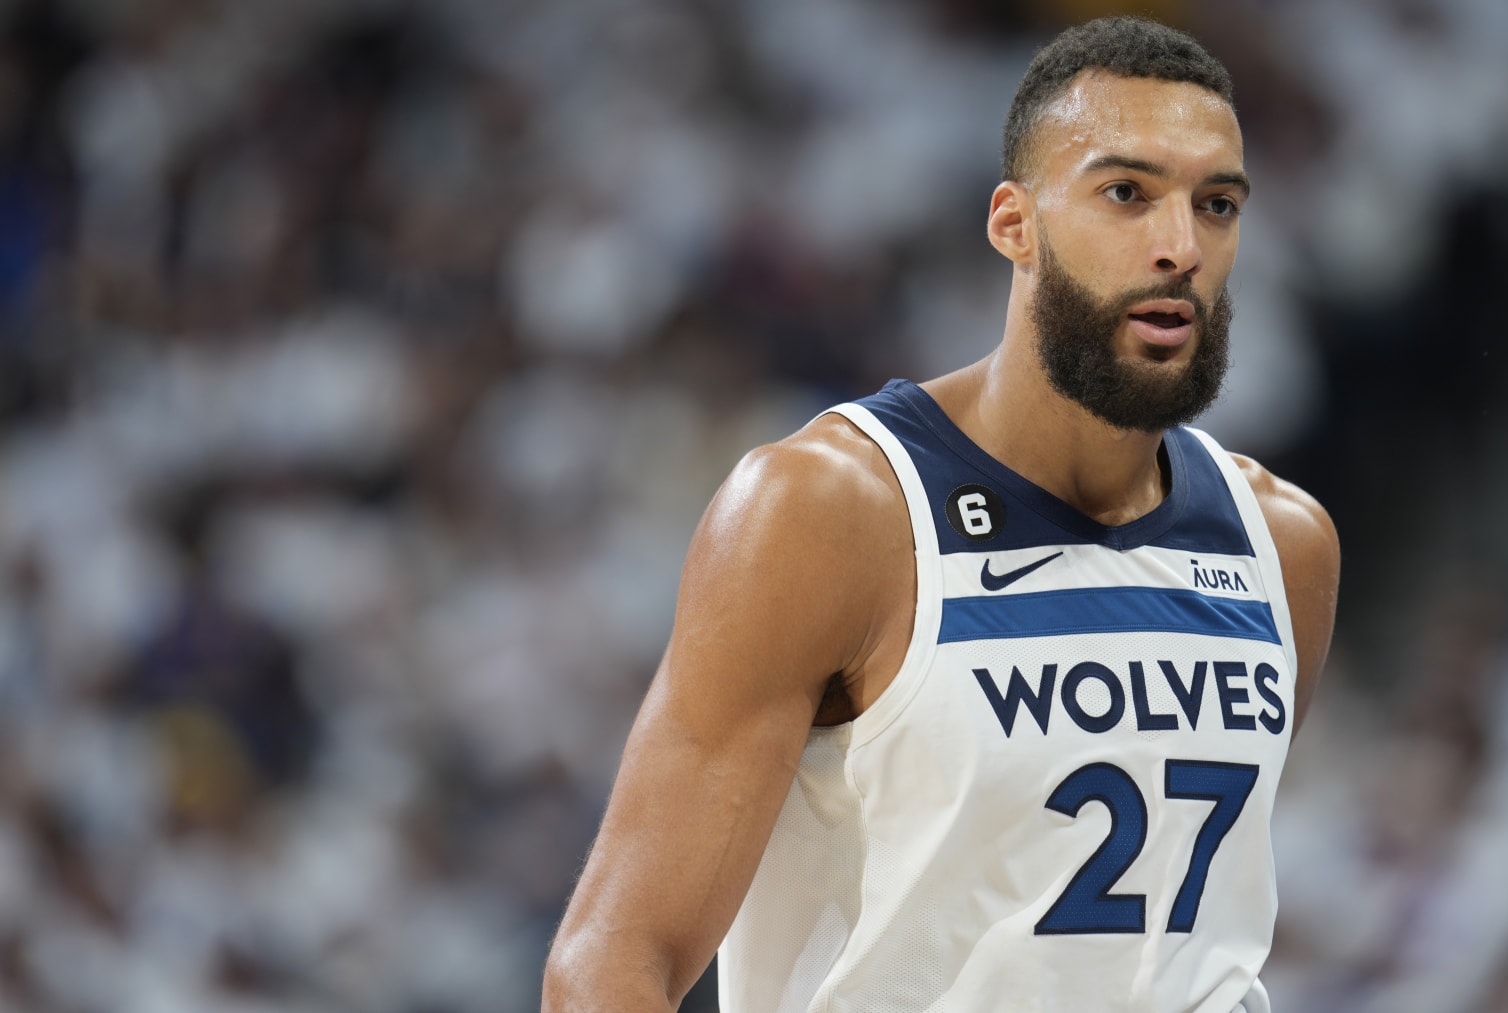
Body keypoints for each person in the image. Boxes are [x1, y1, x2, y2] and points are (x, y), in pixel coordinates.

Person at [543, 16, 1339, 1013]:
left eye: (1215, 204)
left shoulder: (1284, 545)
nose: (1179, 246)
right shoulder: (831, 511)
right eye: (1126, 193)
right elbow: (612, 960)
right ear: (1015, 224)